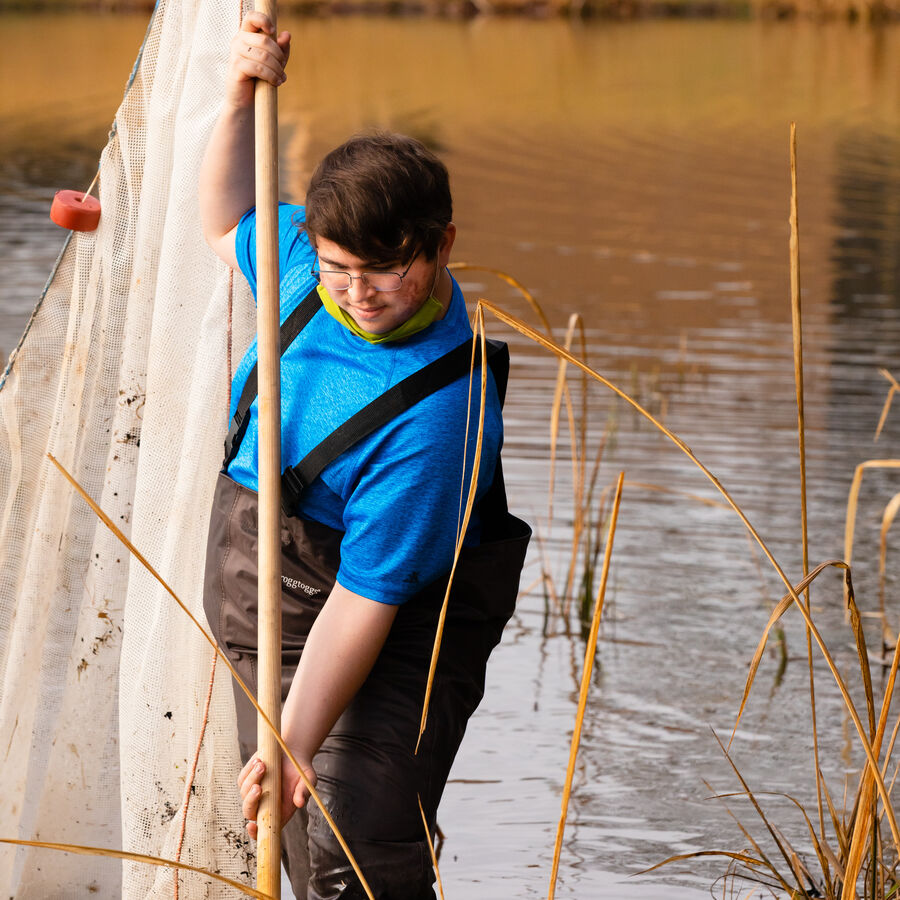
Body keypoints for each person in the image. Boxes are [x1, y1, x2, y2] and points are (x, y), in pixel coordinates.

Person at [198, 12, 530, 900]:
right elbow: (229, 212)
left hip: (399, 607)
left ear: (441, 245)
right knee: (287, 830)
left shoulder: (441, 416)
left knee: (356, 839)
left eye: (387, 270)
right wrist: (238, 97)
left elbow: (365, 600)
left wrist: (294, 741)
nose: (360, 294)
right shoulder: (308, 262)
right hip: (259, 562)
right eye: (343, 268)